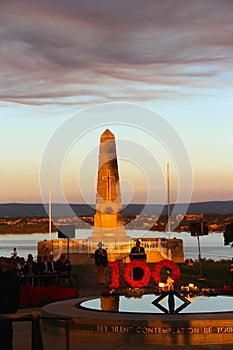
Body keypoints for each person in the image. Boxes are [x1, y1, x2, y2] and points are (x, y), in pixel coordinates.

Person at [0, 259, 20, 350]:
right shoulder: (13, 277)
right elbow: (16, 294)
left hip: (5, 309)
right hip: (8, 311)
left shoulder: (8, 277)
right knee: (6, 337)